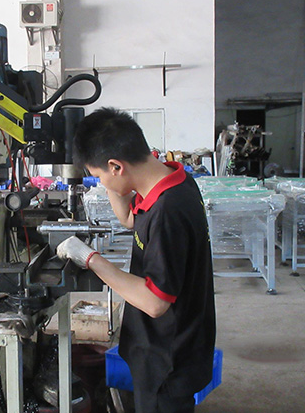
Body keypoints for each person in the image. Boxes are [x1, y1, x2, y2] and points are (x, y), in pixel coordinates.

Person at [57, 107, 216, 413]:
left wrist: (91, 259)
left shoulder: (168, 211)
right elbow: (130, 219)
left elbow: (155, 302)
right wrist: (113, 184)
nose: (101, 184)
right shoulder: (171, 180)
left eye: (99, 176)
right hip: (167, 345)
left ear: (116, 166)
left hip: (168, 360)